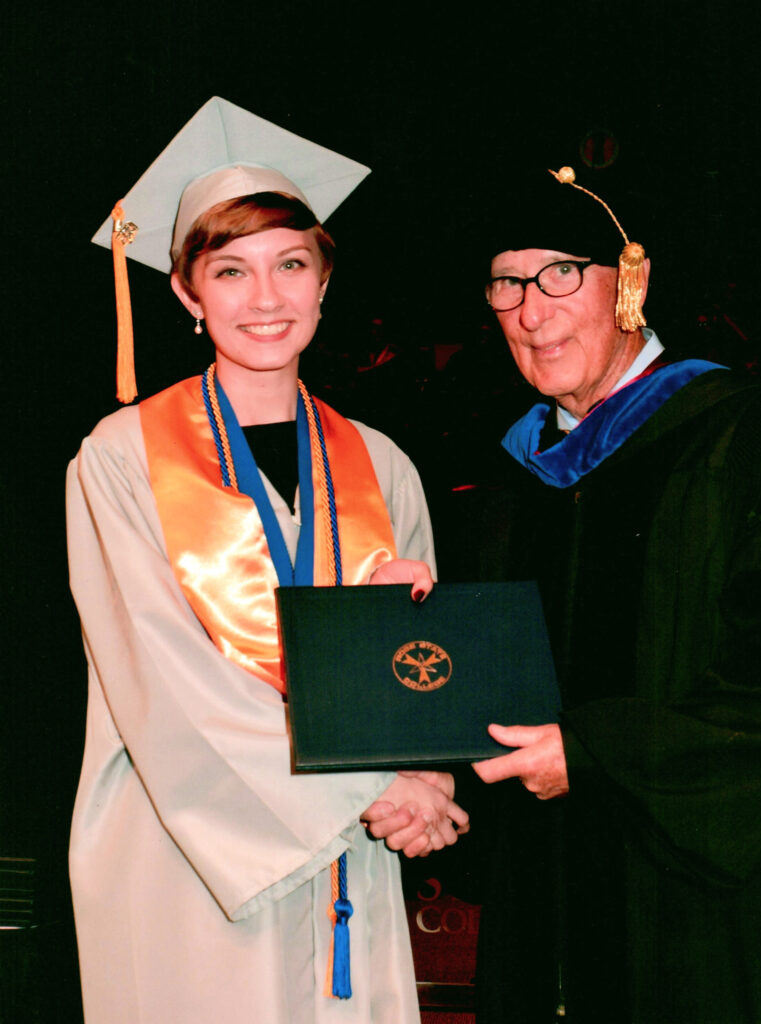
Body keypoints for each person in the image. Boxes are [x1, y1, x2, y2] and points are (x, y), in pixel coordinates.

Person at [66, 96, 467, 1024]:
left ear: (324, 280)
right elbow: (159, 674)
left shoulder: (381, 461)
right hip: (182, 842)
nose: (265, 298)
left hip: (352, 846)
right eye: (230, 270)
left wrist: (429, 764)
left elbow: (421, 665)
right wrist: (377, 786)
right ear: (185, 293)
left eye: (291, 264)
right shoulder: (121, 455)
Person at [453, 166, 761, 1023]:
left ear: (629, 284)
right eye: (507, 284)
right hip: (546, 908)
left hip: (707, 907)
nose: (530, 312)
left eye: (559, 275)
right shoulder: (511, 485)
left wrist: (599, 755)